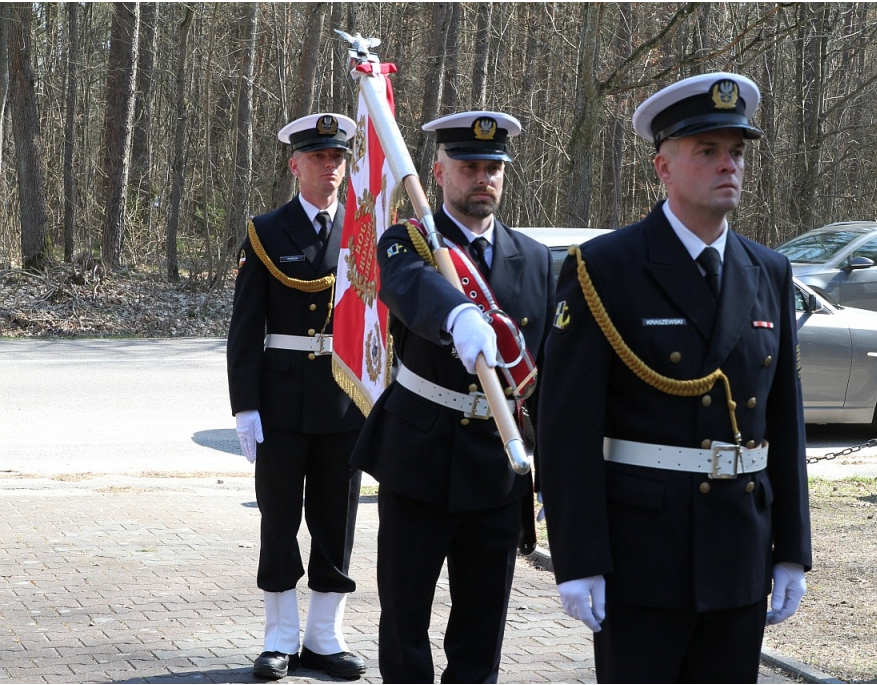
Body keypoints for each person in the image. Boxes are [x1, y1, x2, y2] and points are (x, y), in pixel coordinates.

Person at [536, 73, 813, 683]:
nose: (728, 166)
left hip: (740, 548)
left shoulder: (768, 268)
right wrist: (577, 558)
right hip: (643, 554)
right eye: (707, 151)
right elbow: (566, 426)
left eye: (736, 152)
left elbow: (783, 422)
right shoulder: (605, 266)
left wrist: (792, 549)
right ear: (662, 166)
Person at [350, 110, 557, 683]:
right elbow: (408, 287)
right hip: (418, 457)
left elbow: (545, 374)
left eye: (493, 167)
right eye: (469, 167)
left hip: (496, 462)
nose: (482, 178)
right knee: (404, 617)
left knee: (481, 623)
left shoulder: (536, 259)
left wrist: (557, 472)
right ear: (439, 173)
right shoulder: (406, 241)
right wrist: (457, 313)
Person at [227, 112, 367, 681]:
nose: (329, 167)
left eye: (337, 158)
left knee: (337, 521)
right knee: (279, 521)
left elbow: (377, 324)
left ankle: (325, 637)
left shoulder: (363, 232)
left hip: (343, 402)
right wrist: (244, 406)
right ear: (295, 164)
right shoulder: (265, 230)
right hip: (281, 403)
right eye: (317, 157)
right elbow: (245, 327)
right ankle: (280, 638)